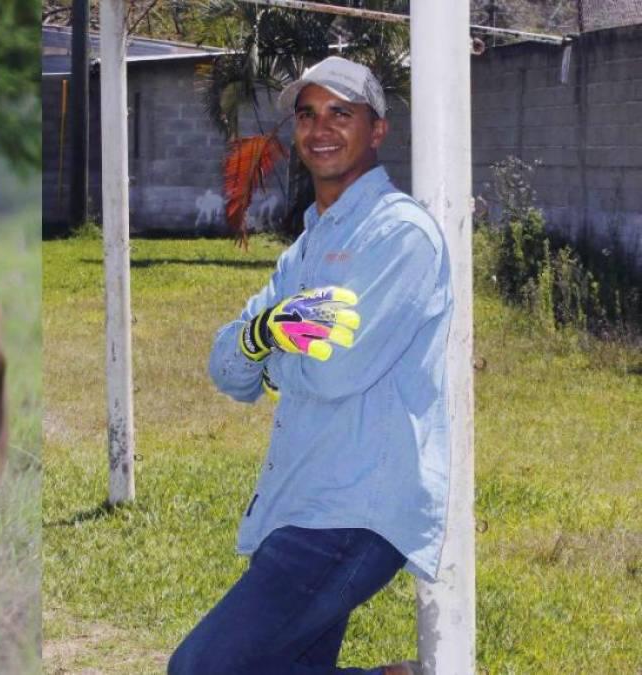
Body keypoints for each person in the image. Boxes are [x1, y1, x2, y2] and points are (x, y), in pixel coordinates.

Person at [168, 57, 453, 675]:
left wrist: (268, 358)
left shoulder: (400, 237)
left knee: (200, 669)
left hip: (356, 512)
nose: (320, 128)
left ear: (376, 130)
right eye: (307, 114)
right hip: (298, 501)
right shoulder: (307, 247)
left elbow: (334, 372)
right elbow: (226, 367)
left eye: (340, 113)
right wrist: (261, 337)